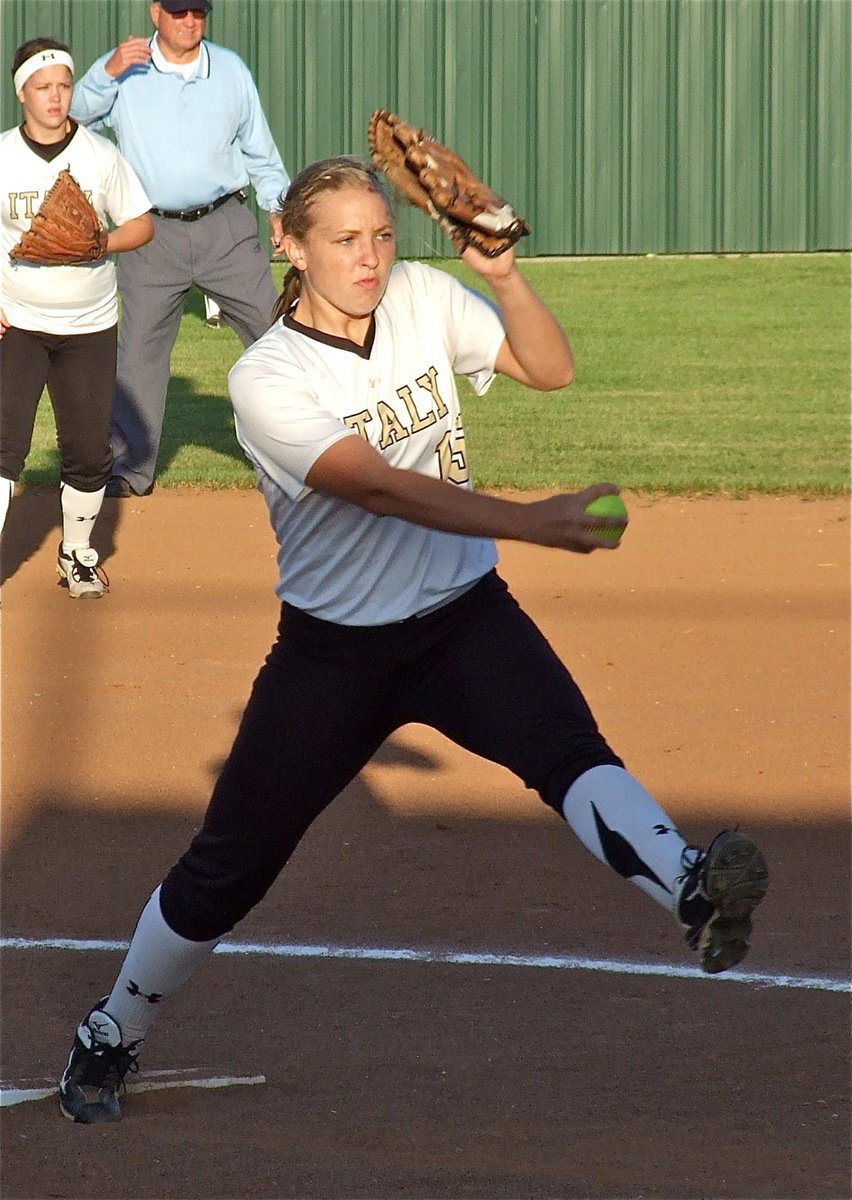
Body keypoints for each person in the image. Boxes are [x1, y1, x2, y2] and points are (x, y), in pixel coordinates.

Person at [58, 157, 768, 1120]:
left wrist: (504, 274)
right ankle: (114, 1030)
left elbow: (550, 370)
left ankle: (688, 888)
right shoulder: (267, 377)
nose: (370, 257)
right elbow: (377, 483)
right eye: (345, 239)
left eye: (383, 235)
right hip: (334, 658)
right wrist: (532, 522)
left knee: (568, 752)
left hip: (465, 620)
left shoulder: (427, 297)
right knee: (231, 865)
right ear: (289, 244)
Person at [70, 0, 290, 499]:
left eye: (198, 10)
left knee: (277, 336)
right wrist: (105, 73)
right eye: (177, 10)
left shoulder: (230, 69)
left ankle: (302, 458)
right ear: (155, 13)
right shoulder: (124, 68)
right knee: (140, 353)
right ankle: (128, 470)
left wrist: (279, 208)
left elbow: (260, 149)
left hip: (225, 227)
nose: (189, 20)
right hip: (151, 232)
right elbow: (73, 114)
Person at [0, 38, 153, 598]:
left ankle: (78, 555)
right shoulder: (2, 157)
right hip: (18, 323)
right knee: (3, 444)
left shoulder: (98, 154)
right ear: (23, 94)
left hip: (90, 325)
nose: (56, 96)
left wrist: (101, 241)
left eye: (64, 85)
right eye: (43, 87)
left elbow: (142, 223)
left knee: (89, 449)